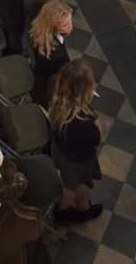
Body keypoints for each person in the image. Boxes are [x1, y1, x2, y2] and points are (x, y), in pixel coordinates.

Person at [48, 60, 103, 225]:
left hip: (62, 150)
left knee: (81, 181)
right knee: (70, 188)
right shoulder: (81, 121)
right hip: (75, 160)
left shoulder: (59, 100)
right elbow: (94, 141)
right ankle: (61, 212)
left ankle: (83, 206)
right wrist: (97, 128)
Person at [30, 0, 73, 106]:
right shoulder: (57, 54)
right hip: (50, 90)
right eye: (65, 25)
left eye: (70, 22)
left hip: (39, 76)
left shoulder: (40, 31)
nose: (71, 26)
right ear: (53, 25)